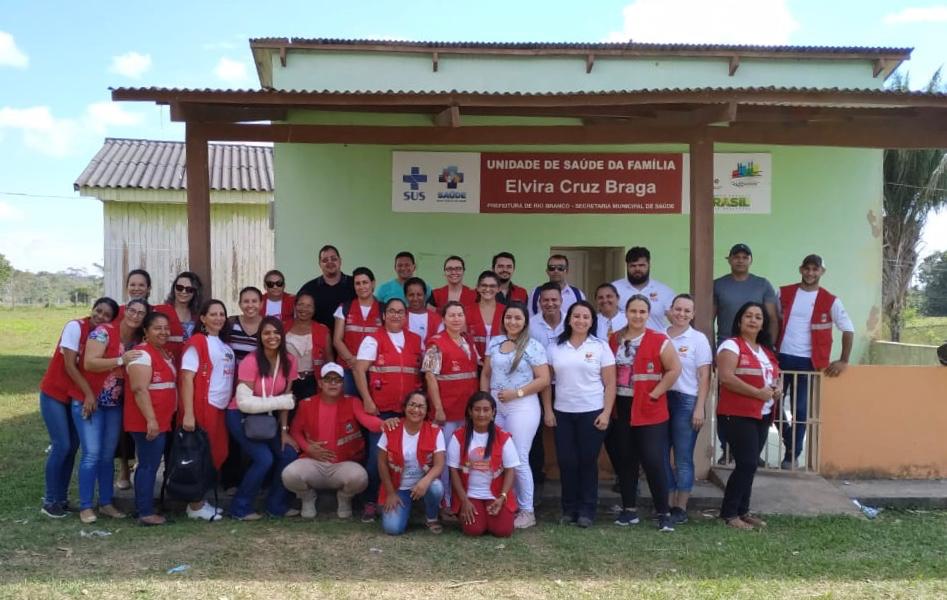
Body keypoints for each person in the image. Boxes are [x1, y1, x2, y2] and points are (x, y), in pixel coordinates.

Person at [282, 363, 398, 519]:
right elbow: (295, 431)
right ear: (320, 383)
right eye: (328, 379)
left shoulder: (352, 402)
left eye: (337, 380)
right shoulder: (306, 404)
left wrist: (384, 424)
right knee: (289, 474)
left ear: (343, 383)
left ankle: (344, 498)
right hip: (313, 463)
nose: (333, 383)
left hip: (343, 465)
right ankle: (307, 497)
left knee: (360, 478)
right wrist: (308, 449)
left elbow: (367, 420)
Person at [38, 297, 119, 518]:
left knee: (73, 446)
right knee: (61, 444)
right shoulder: (76, 327)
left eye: (106, 315)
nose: (100, 316)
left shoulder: (102, 335)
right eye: (98, 311)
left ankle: (62, 499)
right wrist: (89, 394)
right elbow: (71, 366)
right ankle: (50, 499)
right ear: (92, 309)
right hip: (55, 393)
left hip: (74, 396)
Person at [606, 295, 681, 532]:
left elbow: (674, 369)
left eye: (642, 312)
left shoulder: (659, 340)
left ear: (648, 315)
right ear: (625, 313)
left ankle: (663, 512)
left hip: (650, 407)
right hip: (621, 407)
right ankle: (629, 510)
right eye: (633, 311)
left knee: (654, 461)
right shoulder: (613, 339)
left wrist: (655, 393)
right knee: (626, 460)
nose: (637, 316)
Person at [776, 254, 854, 469]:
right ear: (801, 269)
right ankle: (789, 440)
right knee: (771, 405)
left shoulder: (830, 300)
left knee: (800, 411)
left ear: (822, 272)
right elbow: (771, 321)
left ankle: (792, 456)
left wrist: (843, 360)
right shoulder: (783, 292)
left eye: (815, 269)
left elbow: (848, 329)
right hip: (780, 358)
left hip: (808, 363)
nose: (810, 273)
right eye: (807, 268)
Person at [75, 299, 147, 523]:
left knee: (107, 456)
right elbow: (89, 363)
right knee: (91, 454)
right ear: (125, 312)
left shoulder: (136, 340)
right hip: (91, 400)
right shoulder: (103, 332)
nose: (135, 316)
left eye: (141, 313)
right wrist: (120, 359)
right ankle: (86, 506)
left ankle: (106, 503)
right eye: (132, 311)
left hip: (114, 404)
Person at [544, 300, 615, 528]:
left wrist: (606, 413)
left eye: (586, 317)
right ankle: (569, 509)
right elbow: (546, 382)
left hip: (591, 412)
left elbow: (610, 383)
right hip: (563, 412)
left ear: (592, 321)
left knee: (587, 461)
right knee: (566, 462)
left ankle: (587, 510)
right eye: (577, 316)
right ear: (569, 319)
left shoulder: (600, 346)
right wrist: (548, 409)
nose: (581, 320)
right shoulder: (555, 345)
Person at [481, 302, 550, 529]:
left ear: (525, 322)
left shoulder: (534, 346)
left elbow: (543, 379)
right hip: (496, 409)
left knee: (518, 458)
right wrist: (485, 401)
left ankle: (527, 510)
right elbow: (486, 374)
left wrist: (516, 393)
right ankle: (505, 503)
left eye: (517, 318)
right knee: (499, 457)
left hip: (523, 406)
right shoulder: (495, 342)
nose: (512, 322)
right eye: (508, 317)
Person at [354, 298, 423, 522]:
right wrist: (367, 399)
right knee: (377, 459)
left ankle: (408, 501)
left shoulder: (415, 340)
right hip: (382, 411)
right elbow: (359, 370)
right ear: (384, 315)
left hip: (410, 413)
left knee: (407, 459)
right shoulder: (372, 339)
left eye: (400, 312)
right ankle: (371, 501)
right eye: (391, 312)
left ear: (406, 316)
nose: (396, 315)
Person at [717, 302, 782, 530]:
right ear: (739, 320)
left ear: (763, 324)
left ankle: (743, 511)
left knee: (750, 465)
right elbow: (726, 377)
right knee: (746, 463)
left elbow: (773, 376)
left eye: (758, 317)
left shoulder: (765, 350)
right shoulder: (731, 346)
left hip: (762, 414)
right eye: (748, 316)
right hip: (737, 413)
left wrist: (777, 389)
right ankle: (729, 513)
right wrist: (757, 393)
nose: (753, 320)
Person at [227, 316, 300, 520]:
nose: (272, 336)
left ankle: (276, 506)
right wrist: (280, 403)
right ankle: (239, 508)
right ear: (260, 336)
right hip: (240, 415)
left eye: (276, 332)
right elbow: (245, 402)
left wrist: (285, 432)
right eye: (267, 333)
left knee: (288, 454)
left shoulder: (289, 361)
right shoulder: (251, 361)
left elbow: (286, 400)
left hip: (267, 420)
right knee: (264, 459)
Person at [178, 299, 236, 521]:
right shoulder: (197, 342)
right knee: (199, 456)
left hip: (220, 408)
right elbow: (186, 378)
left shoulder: (223, 345)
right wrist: (189, 413)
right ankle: (194, 505)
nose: (219, 318)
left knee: (215, 455)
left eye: (222, 314)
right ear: (202, 318)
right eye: (213, 314)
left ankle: (201, 500)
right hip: (203, 407)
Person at [422, 301, 479, 514]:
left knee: (465, 457)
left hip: (468, 411)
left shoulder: (467, 341)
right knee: (444, 458)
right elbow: (430, 376)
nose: (456, 318)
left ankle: (462, 498)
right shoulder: (435, 344)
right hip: (447, 411)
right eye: (452, 315)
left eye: (460, 314)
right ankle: (444, 500)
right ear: (443, 319)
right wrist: (437, 408)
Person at [125, 311, 178, 525]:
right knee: (147, 465)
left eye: (166, 328)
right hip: (147, 421)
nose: (163, 332)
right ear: (146, 331)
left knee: (152, 464)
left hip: (161, 420)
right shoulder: (141, 354)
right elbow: (139, 389)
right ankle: (145, 512)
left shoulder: (163, 353)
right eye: (157, 327)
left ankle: (145, 507)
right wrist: (151, 420)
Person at [664, 294, 712, 524]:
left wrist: (699, 407)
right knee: (662, 456)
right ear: (671, 310)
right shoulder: (661, 336)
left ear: (693, 315)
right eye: (678, 309)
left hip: (686, 401)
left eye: (687, 311)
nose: (681, 314)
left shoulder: (698, 339)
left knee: (683, 457)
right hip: (662, 400)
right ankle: (667, 502)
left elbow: (704, 376)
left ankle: (680, 507)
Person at [447, 392, 519, 538]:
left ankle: (489, 516)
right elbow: (453, 471)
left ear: (493, 413)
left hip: (495, 494)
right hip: (470, 494)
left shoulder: (503, 436)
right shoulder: (458, 436)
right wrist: (464, 501)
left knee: (503, 531)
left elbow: (511, 470)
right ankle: (481, 517)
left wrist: (502, 497)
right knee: (474, 531)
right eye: (477, 409)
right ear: (470, 411)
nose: (481, 414)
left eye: (486, 410)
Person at [378, 391, 446, 535]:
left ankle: (431, 517)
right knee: (392, 529)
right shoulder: (392, 428)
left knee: (436, 487)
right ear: (405, 407)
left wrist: (425, 481)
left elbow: (439, 464)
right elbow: (382, 463)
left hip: (423, 485)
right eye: (412, 405)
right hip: (399, 488)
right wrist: (390, 493)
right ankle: (407, 511)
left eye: (421, 406)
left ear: (427, 410)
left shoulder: (435, 431)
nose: (416, 410)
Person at [527, 282, 565, 500]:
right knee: (535, 434)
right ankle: (536, 481)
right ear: (539, 302)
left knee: (565, 434)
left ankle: (566, 480)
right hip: (539, 386)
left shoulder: (572, 321)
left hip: (567, 386)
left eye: (554, 300)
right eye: (546, 300)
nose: (550, 304)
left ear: (561, 301)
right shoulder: (531, 325)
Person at [713, 244, 778, 346]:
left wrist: (769, 347)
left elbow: (773, 319)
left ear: (751, 260)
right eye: (736, 257)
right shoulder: (717, 285)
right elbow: (709, 319)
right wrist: (711, 348)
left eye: (745, 257)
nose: (740, 261)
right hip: (726, 344)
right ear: (729, 260)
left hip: (755, 345)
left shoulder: (763, 285)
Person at [333, 267, 382, 395]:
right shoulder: (344, 308)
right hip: (348, 369)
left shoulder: (384, 309)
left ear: (373, 283)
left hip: (374, 368)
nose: (362, 287)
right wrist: (352, 360)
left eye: (365, 282)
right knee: (349, 406)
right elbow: (337, 340)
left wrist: (364, 363)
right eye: (357, 283)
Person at [611, 247, 676, 331]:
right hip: (623, 342)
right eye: (633, 266)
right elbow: (606, 318)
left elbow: (677, 321)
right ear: (627, 266)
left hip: (655, 342)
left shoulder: (664, 291)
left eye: (641, 265)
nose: (637, 269)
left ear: (649, 265)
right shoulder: (614, 289)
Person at [284, 292, 333, 396]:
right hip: (286, 381)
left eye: (309, 306)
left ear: (314, 309)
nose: (304, 309)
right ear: (295, 306)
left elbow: (329, 359)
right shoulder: (283, 327)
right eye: (301, 304)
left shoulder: (322, 330)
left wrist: (329, 381)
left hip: (313, 382)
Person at [297, 244, 356, 330]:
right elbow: (297, 313)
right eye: (325, 260)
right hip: (318, 340)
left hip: (349, 341)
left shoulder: (355, 285)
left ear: (340, 261)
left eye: (333, 259)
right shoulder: (309, 288)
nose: (330, 262)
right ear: (320, 264)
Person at [163, 271, 203, 360]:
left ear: (195, 292)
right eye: (179, 287)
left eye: (189, 289)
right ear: (174, 289)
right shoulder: (162, 311)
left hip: (191, 363)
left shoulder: (199, 315)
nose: (183, 292)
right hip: (167, 361)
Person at [466, 271, 505, 358]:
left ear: (499, 288)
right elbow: (461, 340)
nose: (487, 289)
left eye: (492, 286)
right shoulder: (467, 311)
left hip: (500, 365)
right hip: (473, 365)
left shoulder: (506, 311)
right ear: (478, 287)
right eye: (484, 285)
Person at [225, 286, 264, 364]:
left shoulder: (267, 326)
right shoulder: (230, 323)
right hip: (233, 375)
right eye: (246, 301)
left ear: (261, 304)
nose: (250, 305)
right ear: (240, 304)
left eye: (254, 301)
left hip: (258, 375)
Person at [404, 277, 442, 347]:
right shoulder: (400, 316)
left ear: (425, 295)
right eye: (411, 295)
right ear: (405, 296)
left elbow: (441, 344)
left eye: (419, 295)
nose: (415, 298)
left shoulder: (436, 319)